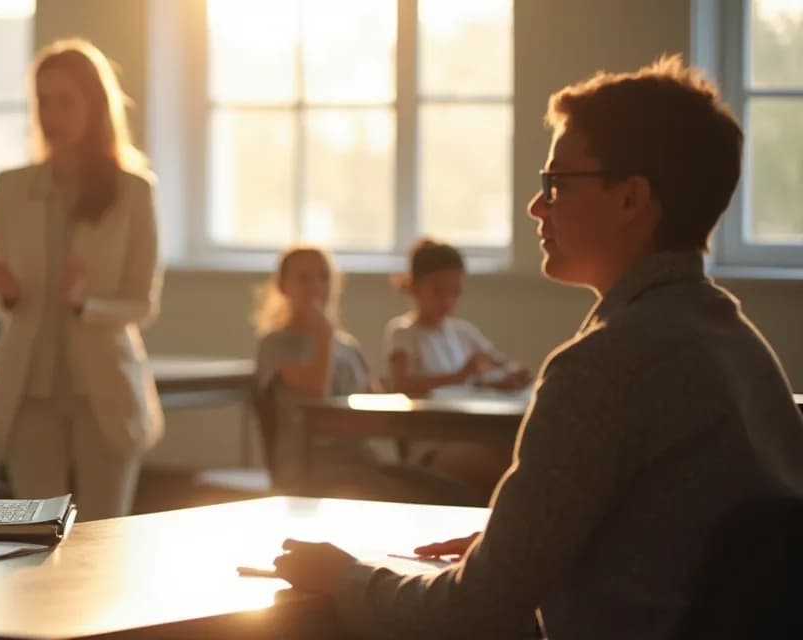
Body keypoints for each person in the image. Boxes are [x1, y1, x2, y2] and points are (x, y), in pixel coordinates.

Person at [272, 56, 803, 639]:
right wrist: (522, 551)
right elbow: (672, 544)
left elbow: (474, 611)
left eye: (556, 184)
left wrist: (347, 576)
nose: (537, 206)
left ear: (630, 199)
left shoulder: (602, 366)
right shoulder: (741, 347)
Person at [0, 38, 162, 521]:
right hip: (28, 390)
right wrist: (9, 294)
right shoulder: (11, 188)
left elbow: (143, 303)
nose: (51, 113)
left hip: (103, 391)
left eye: (66, 100)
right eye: (43, 100)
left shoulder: (133, 191)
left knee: (106, 538)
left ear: (95, 106)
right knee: (34, 537)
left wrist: (88, 303)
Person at [252, 246, 404, 497]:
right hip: (310, 468)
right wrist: (322, 333)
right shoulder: (275, 345)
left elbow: (375, 405)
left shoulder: (347, 346)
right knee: (401, 497)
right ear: (282, 286)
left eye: (323, 277)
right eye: (303, 279)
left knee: (442, 487)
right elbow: (316, 389)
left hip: (359, 462)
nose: (315, 287)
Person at [384, 238, 527, 491]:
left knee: (523, 454)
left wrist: (510, 377)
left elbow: (497, 364)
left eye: (455, 292)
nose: (447, 301)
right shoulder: (403, 334)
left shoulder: (463, 332)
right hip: (433, 444)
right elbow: (402, 384)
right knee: (508, 468)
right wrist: (458, 376)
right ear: (414, 287)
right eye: (438, 291)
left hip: (473, 434)